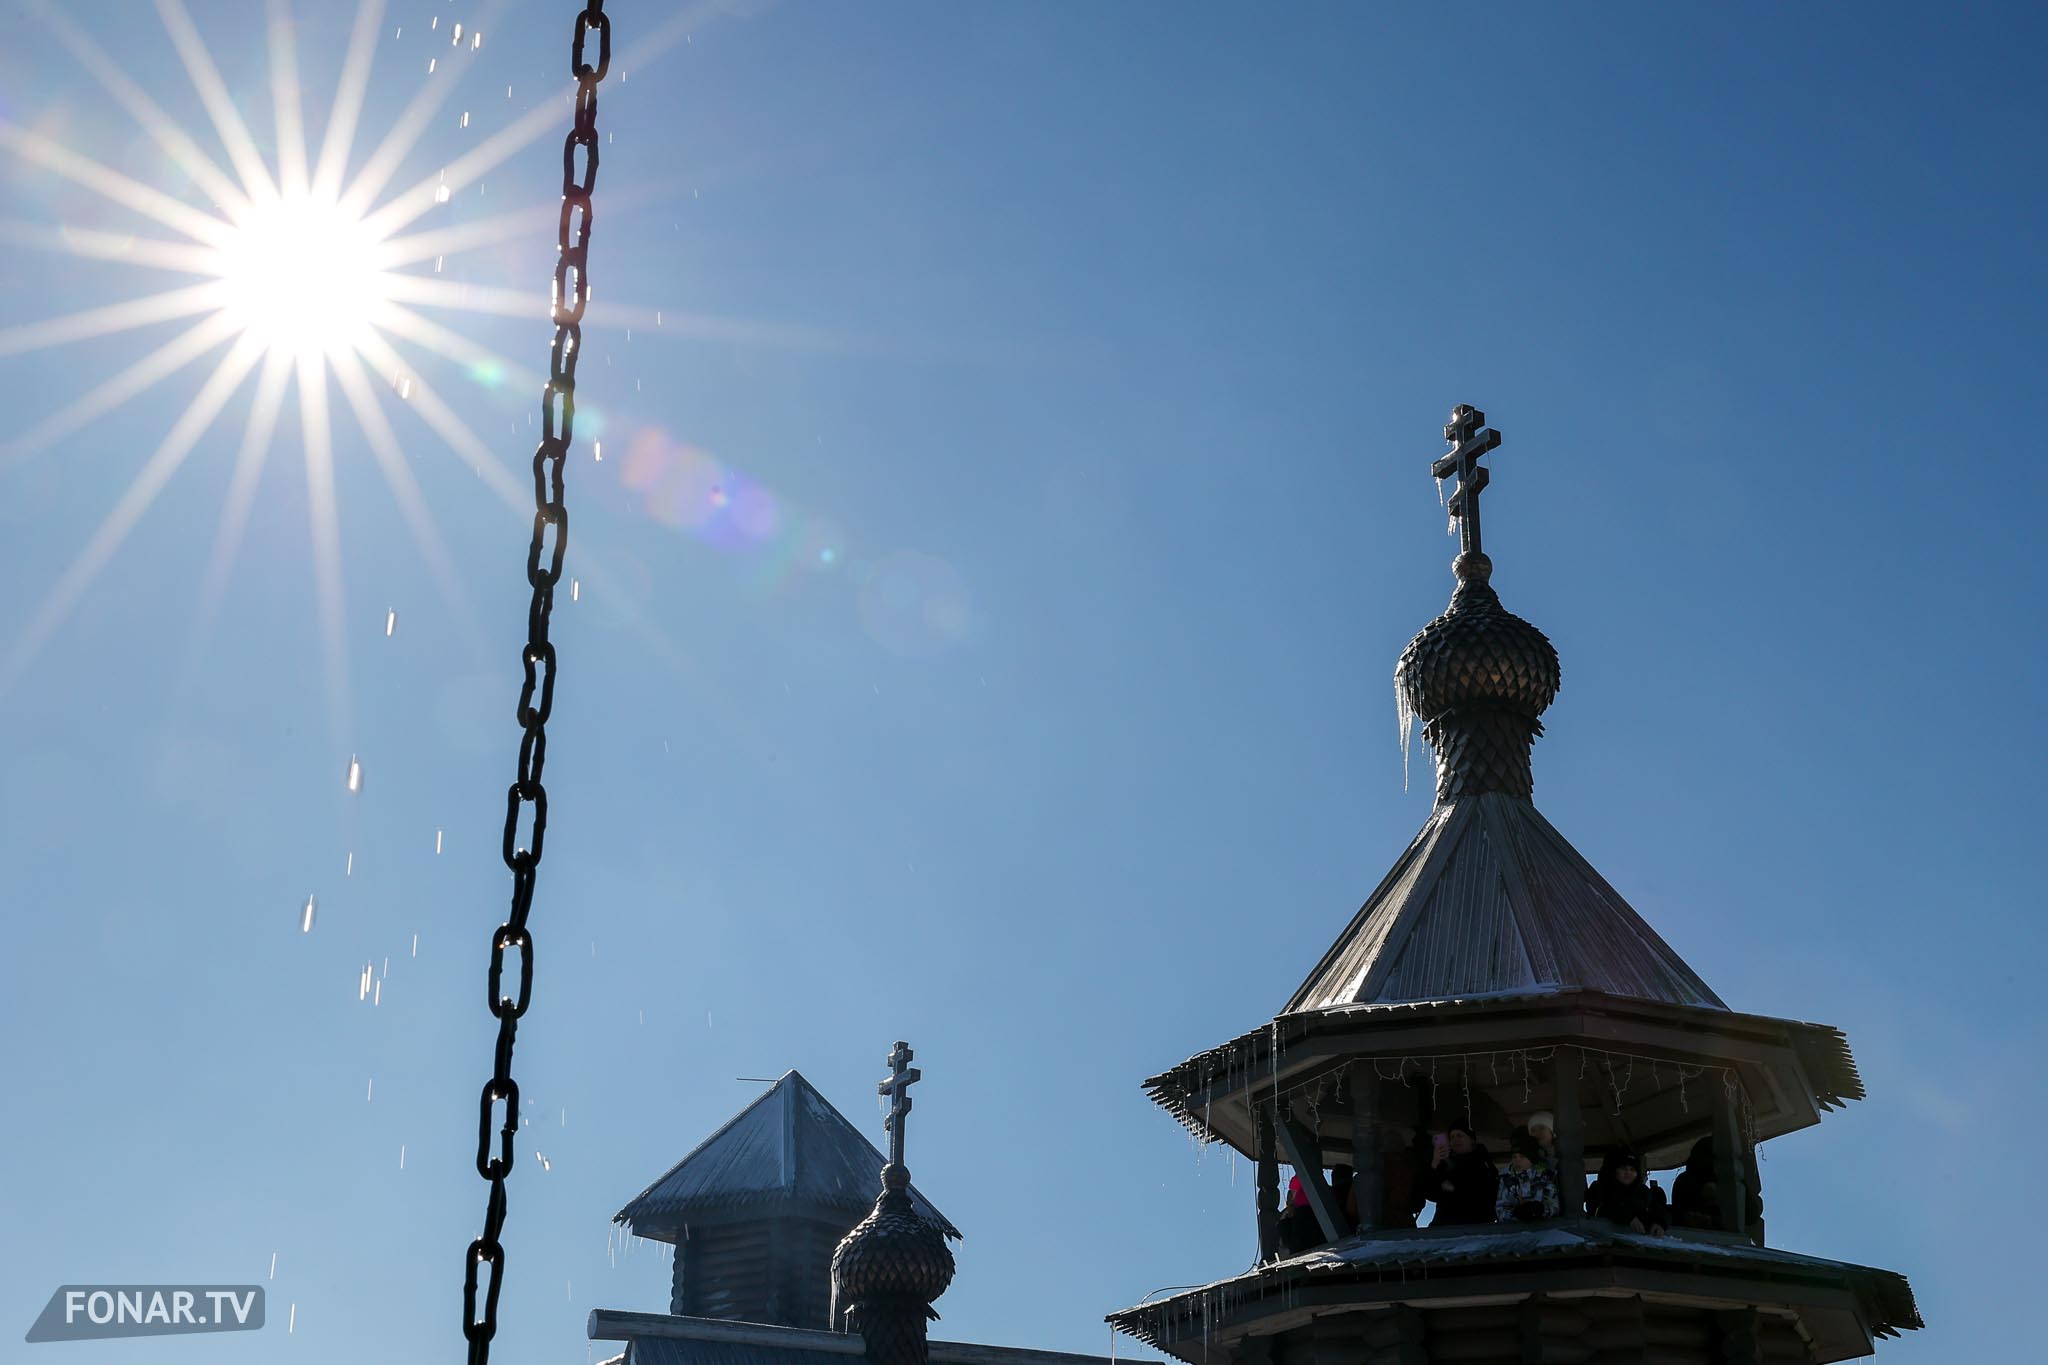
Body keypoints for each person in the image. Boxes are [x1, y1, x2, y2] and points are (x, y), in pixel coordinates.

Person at [1669, 1135, 1763, 1232]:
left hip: (1728, 1237)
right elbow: (1679, 1218)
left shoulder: (1732, 1180)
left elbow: (1752, 1215)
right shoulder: (1685, 1181)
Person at [1425, 1117, 1498, 1226]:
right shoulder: (1445, 1165)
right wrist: (1434, 1164)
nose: (1455, 1140)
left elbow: (1486, 1195)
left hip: (1476, 1226)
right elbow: (1431, 1194)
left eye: (1460, 1135)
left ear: (1471, 1140)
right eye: (1452, 1137)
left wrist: (1454, 1188)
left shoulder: (1483, 1163)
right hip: (1444, 1226)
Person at [1586, 1149, 1666, 1236]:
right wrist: (1627, 1217)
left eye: (1632, 1169)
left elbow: (1656, 1210)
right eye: (1623, 1168)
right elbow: (1598, 1210)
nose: (1628, 1173)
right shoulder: (1600, 1188)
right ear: (1614, 1170)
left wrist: (1658, 1222)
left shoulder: (1643, 1192)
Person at [1494, 1134, 1560, 1223]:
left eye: (1522, 1156)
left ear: (1531, 1158)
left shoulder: (1545, 1176)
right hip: (1515, 1228)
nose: (1517, 1160)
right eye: (1514, 1156)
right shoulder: (1506, 1178)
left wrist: (1540, 1210)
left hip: (1544, 1227)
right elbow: (1500, 1210)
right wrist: (1516, 1213)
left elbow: (1555, 1206)